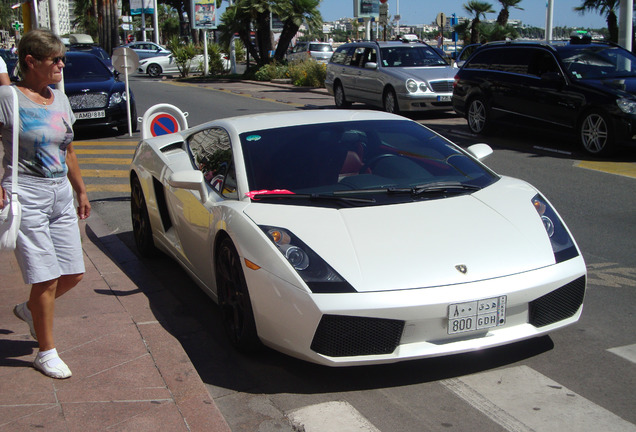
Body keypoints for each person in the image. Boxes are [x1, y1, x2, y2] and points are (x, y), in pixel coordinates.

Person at [0, 29, 91, 379]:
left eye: (62, 58)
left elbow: (67, 149)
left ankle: (29, 310)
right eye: (55, 59)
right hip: (27, 193)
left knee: (73, 272)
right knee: (46, 277)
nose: (61, 65)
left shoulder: (60, 98)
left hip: (60, 194)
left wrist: (81, 191)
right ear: (30, 61)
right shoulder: (9, 97)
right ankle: (46, 351)